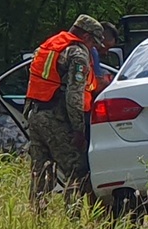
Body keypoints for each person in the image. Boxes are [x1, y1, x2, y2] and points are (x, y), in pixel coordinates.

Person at [24, 14, 104, 212]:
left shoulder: (47, 47)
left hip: (36, 115)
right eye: (93, 42)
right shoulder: (77, 54)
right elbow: (74, 95)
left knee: (41, 173)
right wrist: (78, 129)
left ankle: (37, 219)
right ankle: (73, 220)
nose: (93, 47)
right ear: (86, 36)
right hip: (58, 119)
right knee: (76, 171)